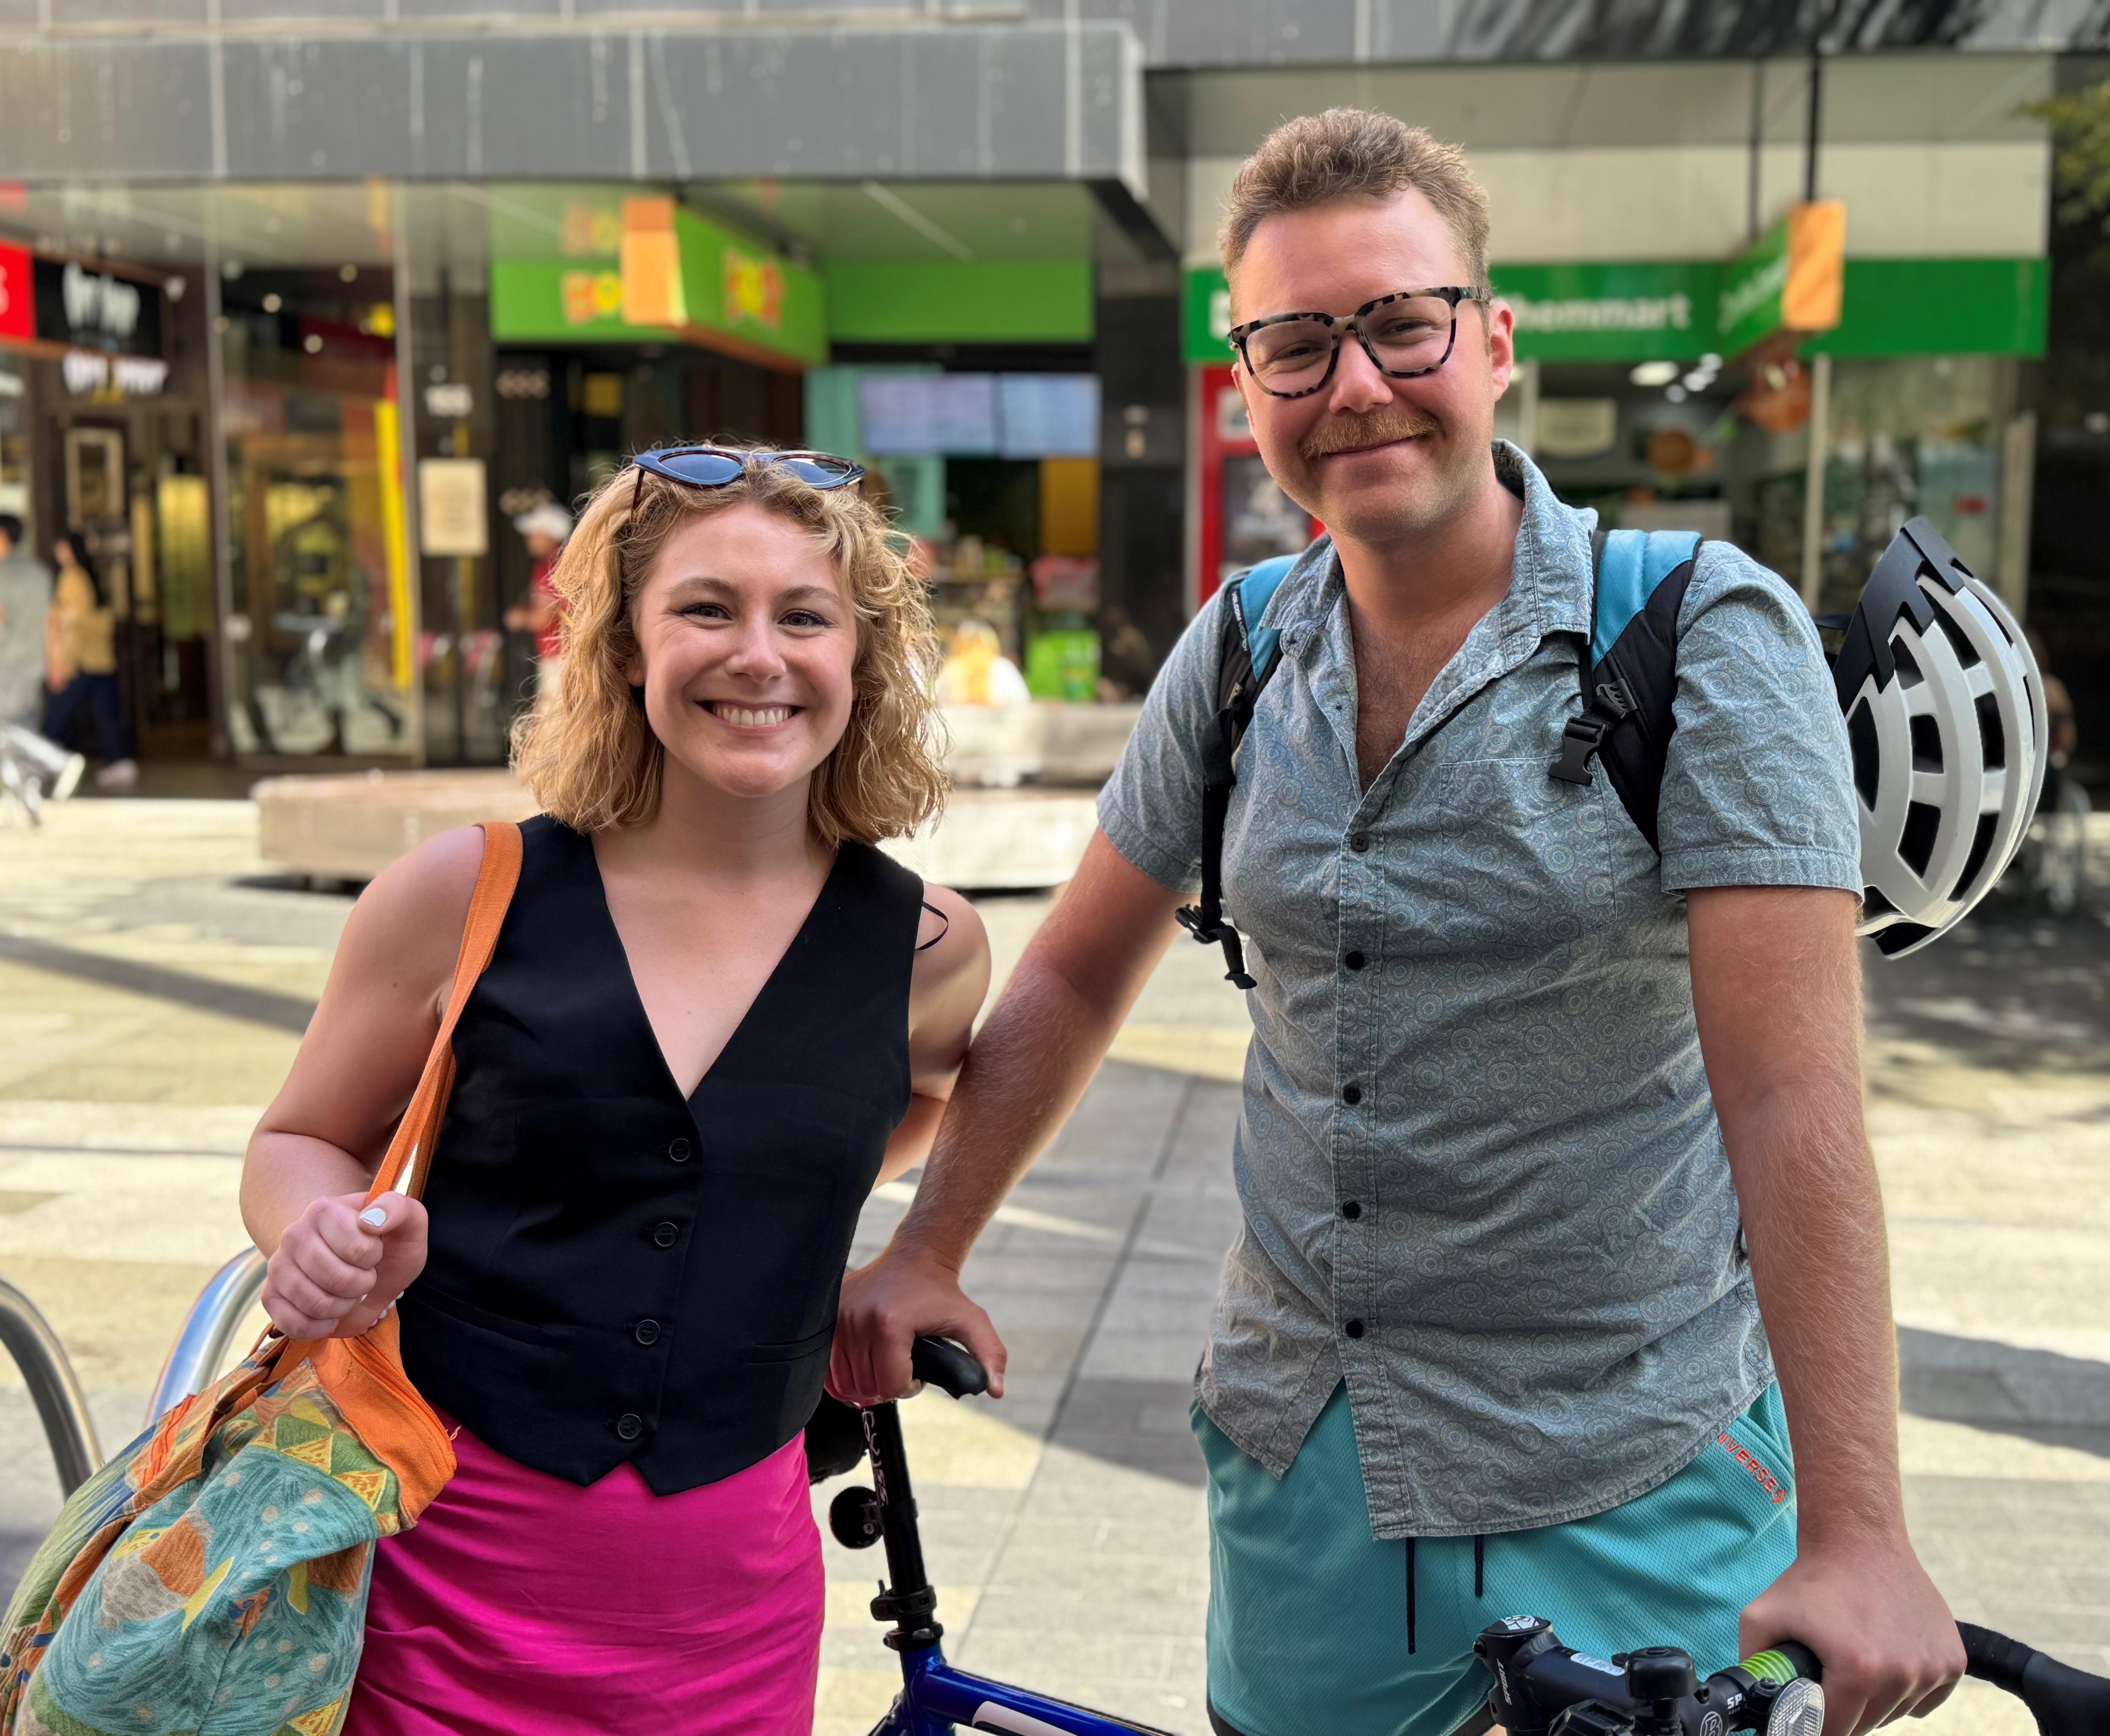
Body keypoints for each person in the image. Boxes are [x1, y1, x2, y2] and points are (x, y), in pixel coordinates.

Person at [833, 109, 1966, 1736]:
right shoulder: (1234, 655)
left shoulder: (1702, 634)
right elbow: (1080, 968)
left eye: (1398, 322)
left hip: (1629, 1459)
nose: (1353, 383)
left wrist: (1862, 1530)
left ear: (1493, 342)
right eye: (1296, 344)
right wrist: (928, 1246)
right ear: (1248, 394)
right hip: (1313, 1460)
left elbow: (1793, 1096)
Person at [240, 445, 989, 1733]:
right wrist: (310, 1229)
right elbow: (307, 1133)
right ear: (627, 645)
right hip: (437, 1564)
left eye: (805, 615)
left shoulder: (929, 947)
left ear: (859, 659)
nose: (759, 653)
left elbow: (905, 1110)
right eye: (707, 607)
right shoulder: (462, 892)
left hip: (732, 1605)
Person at [0, 513, 82, 798]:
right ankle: (29, 788)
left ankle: (57, 761)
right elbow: (52, 621)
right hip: (37, 660)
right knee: (24, 723)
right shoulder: (40, 572)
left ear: (2, 535)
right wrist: (55, 661)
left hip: (8, 662)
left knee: (2, 726)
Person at [40, 531, 135, 790]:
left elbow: (72, 624)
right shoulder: (90, 576)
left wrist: (61, 663)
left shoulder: (72, 577)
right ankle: (120, 761)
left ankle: (43, 760)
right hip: (99, 658)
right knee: (106, 713)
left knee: (58, 714)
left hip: (80, 659)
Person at [505, 498, 573, 698]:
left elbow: (542, 617)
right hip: (570, 655)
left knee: (550, 722)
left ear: (549, 535)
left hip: (556, 659)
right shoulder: (567, 560)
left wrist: (519, 617)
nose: (529, 539)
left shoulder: (547, 567)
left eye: (534, 534)